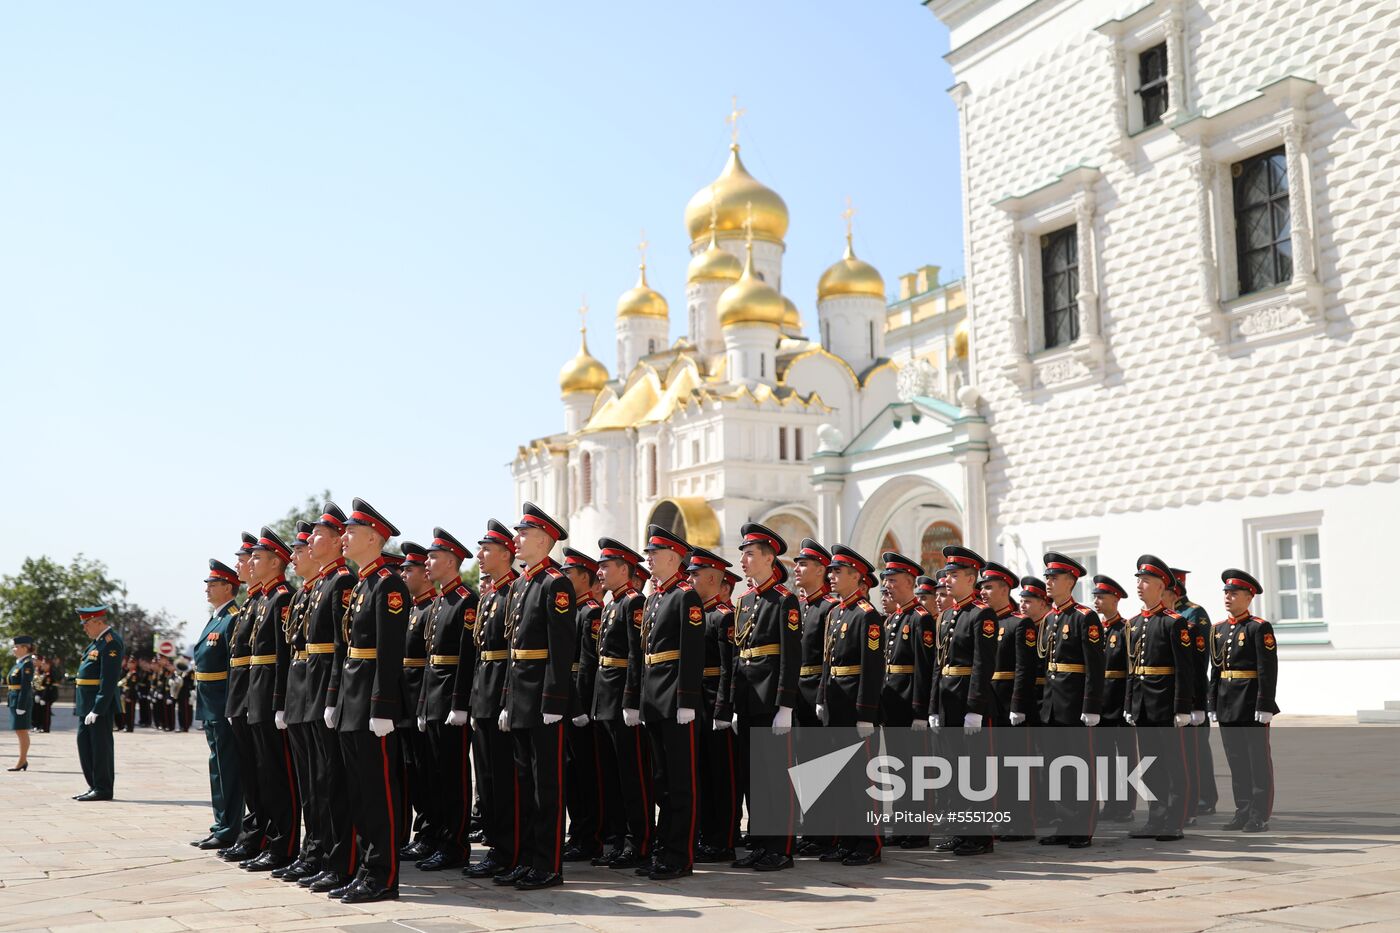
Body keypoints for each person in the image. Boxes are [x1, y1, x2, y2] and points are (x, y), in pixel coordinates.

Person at [324, 497, 409, 903]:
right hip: (351, 701)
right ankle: (364, 869)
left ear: (374, 537)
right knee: (358, 792)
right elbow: (346, 651)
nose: (344, 537)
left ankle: (383, 876)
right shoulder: (363, 583)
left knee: (379, 794)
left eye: (351, 532)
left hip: (371, 702)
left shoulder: (389, 585)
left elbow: (390, 653)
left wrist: (382, 706)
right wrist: (336, 700)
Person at [495, 503, 575, 891]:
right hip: (522, 696)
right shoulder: (522, 583)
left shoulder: (555, 583)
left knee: (547, 786)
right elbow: (513, 650)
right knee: (524, 785)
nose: (516, 540)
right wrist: (509, 701)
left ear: (544, 539)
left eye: (523, 535)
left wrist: (554, 701)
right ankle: (527, 859)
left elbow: (561, 649)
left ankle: (548, 864)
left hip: (543, 698)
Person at [729, 521, 800, 872]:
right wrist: (732, 705)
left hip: (771, 701)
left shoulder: (784, 601)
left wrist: (785, 705)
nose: (743, 560)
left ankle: (780, 848)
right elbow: (738, 655)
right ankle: (759, 843)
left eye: (750, 554)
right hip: (748, 701)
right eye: (742, 554)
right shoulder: (744, 601)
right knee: (753, 778)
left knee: (775, 778)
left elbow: (790, 655)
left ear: (770, 558)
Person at [636, 524, 705, 880]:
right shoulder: (655, 597)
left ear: (674, 557)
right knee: (661, 780)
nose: (648, 558)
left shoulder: (685, 596)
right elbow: (645, 653)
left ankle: (680, 855)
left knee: (680, 783)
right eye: (647, 553)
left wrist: (687, 700)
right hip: (654, 698)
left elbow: (691, 653)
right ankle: (664, 848)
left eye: (654, 553)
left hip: (676, 699)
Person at [297, 503, 358, 894]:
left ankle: (340, 860)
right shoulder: (321, 583)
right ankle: (321, 853)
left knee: (333, 780)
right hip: (310, 685)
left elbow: (341, 645)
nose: (309, 542)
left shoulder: (342, 583)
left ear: (338, 541)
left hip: (326, 686)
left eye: (319, 535)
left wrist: (333, 694)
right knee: (318, 780)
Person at [815, 545, 884, 865]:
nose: (831, 576)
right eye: (830, 571)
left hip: (855, 704)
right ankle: (846, 840)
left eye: (837, 572)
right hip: (835, 703)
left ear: (856, 577)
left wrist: (865, 714)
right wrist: (821, 699)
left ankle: (868, 844)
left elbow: (871, 669)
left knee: (861, 779)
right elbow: (827, 662)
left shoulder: (867, 616)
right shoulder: (836, 612)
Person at [415, 527, 479, 871]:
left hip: (452, 696)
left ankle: (455, 843)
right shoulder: (440, 601)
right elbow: (429, 658)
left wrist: (459, 703)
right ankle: (439, 837)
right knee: (436, 775)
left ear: (452, 560)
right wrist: (425, 703)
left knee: (454, 776)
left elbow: (466, 657)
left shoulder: (466, 601)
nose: (428, 563)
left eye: (434, 557)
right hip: (434, 696)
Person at [587, 537, 653, 870]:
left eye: (605, 566)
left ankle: (637, 841)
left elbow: (634, 655)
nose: (599, 572)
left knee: (632, 775)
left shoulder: (633, 602)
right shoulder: (611, 604)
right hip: (605, 697)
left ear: (624, 569)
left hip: (621, 697)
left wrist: (631, 700)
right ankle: (615, 839)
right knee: (609, 777)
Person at [928, 546, 998, 856]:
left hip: (967, 699)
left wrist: (975, 709)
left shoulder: (982, 614)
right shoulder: (946, 615)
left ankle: (979, 836)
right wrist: (933, 706)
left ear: (971, 579)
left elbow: (984, 666)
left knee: (973, 773)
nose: (948, 580)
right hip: (947, 700)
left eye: (954, 575)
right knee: (952, 770)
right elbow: (938, 664)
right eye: (947, 575)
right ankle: (960, 831)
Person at [463, 520, 521, 880]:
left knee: (506, 779)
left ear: (505, 553)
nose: (480, 557)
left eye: (487, 550)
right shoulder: (488, 596)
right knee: (486, 779)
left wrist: (506, 699)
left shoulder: (515, 591)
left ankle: (511, 849)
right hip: (483, 692)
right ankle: (499, 849)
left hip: (502, 689)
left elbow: (514, 652)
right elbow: (478, 652)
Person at [1035, 552, 1104, 849]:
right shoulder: (1050, 618)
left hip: (1075, 704)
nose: (1048, 582)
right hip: (1052, 703)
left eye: (1054, 578)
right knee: (1056, 767)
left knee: (1078, 766)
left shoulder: (1084, 617)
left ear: (1071, 581)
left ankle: (1082, 826)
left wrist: (1090, 706)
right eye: (1047, 577)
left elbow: (1095, 666)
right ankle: (1064, 822)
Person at [242, 527, 300, 873]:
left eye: (258, 557)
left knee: (280, 776)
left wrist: (279, 700)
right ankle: (266, 837)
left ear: (277, 562)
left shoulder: (281, 598)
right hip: (257, 691)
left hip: (271, 692)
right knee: (262, 773)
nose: (251, 562)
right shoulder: (264, 599)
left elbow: (281, 655)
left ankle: (283, 844)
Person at [1125, 554, 1194, 842]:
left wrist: (1182, 707)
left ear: (1161, 586)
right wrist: (1129, 704)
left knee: (1173, 764)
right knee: (1151, 765)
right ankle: (1155, 817)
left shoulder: (1174, 623)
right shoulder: (1134, 623)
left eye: (1146, 581)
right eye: (1139, 580)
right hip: (1142, 704)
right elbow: (1131, 668)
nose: (1140, 586)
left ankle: (1174, 821)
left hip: (1165, 705)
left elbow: (1184, 670)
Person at [1211, 569, 1278, 833]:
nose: (1228, 597)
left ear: (1249, 597)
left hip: (1251, 703)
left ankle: (1259, 814)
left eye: (1234, 593)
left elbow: (1267, 669)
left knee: (1256, 761)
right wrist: (1212, 702)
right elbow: (1215, 669)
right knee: (1236, 761)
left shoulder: (1259, 628)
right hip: (1227, 703)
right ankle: (1242, 810)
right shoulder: (1219, 629)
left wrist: (1265, 703)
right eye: (1226, 593)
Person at [686, 545, 739, 863]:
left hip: (715, 700)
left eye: (694, 574)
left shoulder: (723, 617)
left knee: (723, 773)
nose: (689, 579)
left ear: (710, 578)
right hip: (697, 700)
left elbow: (728, 668)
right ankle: (708, 834)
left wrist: (723, 709)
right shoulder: (698, 615)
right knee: (702, 771)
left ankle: (726, 837)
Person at [880, 550, 934, 851]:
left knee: (915, 769)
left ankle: (918, 829)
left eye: (893, 579)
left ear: (910, 581)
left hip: (910, 702)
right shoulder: (894, 618)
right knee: (897, 769)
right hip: (892, 703)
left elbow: (924, 669)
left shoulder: (920, 619)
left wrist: (920, 711)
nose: (887, 585)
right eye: (885, 579)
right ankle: (901, 825)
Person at [560, 547, 610, 864]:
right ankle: (578, 833)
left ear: (584, 577)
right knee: (571, 773)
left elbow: (589, 667)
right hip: (567, 699)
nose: (564, 578)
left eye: (569, 573)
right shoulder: (572, 610)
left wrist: (582, 706)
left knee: (586, 774)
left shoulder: (591, 612)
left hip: (581, 701)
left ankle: (590, 835)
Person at [190, 559, 244, 850]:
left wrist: (232, 706)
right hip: (210, 703)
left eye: (213, 584)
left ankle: (229, 828)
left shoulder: (233, 617)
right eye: (207, 585)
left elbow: (234, 667)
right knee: (217, 767)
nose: (208, 590)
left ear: (228, 586)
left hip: (223, 704)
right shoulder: (216, 618)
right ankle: (220, 824)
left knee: (228, 769)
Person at [220, 531, 267, 864]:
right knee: (254, 774)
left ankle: (273, 839)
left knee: (272, 776)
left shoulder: (275, 599)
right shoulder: (252, 602)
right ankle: (256, 834)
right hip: (245, 693)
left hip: (263, 696)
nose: (242, 564)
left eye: (248, 558)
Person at [792, 539, 839, 858]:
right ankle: (814, 830)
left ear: (821, 570)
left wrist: (822, 693)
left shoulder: (830, 608)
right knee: (805, 766)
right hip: (799, 692)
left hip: (818, 690)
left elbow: (829, 657)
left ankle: (831, 833)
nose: (796, 569)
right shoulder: (801, 606)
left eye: (803, 565)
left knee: (825, 765)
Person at [397, 541, 436, 863]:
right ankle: (422, 832)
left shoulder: (433, 608)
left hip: (423, 701)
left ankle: (430, 834)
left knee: (429, 773)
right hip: (405, 703)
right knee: (412, 772)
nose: (403, 574)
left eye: (409, 569)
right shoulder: (412, 609)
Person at [1170, 568, 1218, 819]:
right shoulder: (1165, 613)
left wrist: (1201, 699)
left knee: (1197, 748)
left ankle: (1205, 796)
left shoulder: (1194, 613)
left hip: (1193, 690)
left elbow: (1201, 657)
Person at [1091, 574, 1136, 824]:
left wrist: (1128, 703)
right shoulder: (1095, 629)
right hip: (1101, 701)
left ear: (1115, 599)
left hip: (1119, 700)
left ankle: (1125, 805)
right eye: (1095, 597)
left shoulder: (1125, 629)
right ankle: (1109, 802)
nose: (1096, 601)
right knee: (1104, 756)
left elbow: (1130, 669)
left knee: (1125, 757)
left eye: (1102, 597)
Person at [73, 605, 122, 801]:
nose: (84, 627)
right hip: (86, 704)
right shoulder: (96, 643)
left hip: (97, 706)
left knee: (100, 747)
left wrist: (98, 708)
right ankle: (93, 785)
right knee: (85, 745)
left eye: (86, 623)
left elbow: (108, 680)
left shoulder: (111, 643)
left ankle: (103, 788)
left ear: (98, 621)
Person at [7, 636, 36, 771]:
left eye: (17, 647)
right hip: (14, 699)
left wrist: (21, 705)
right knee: (19, 731)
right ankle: (22, 760)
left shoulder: (27, 664)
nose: (14, 649)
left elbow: (25, 686)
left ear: (25, 648)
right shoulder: (19, 663)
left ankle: (22, 761)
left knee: (22, 731)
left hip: (20, 700)